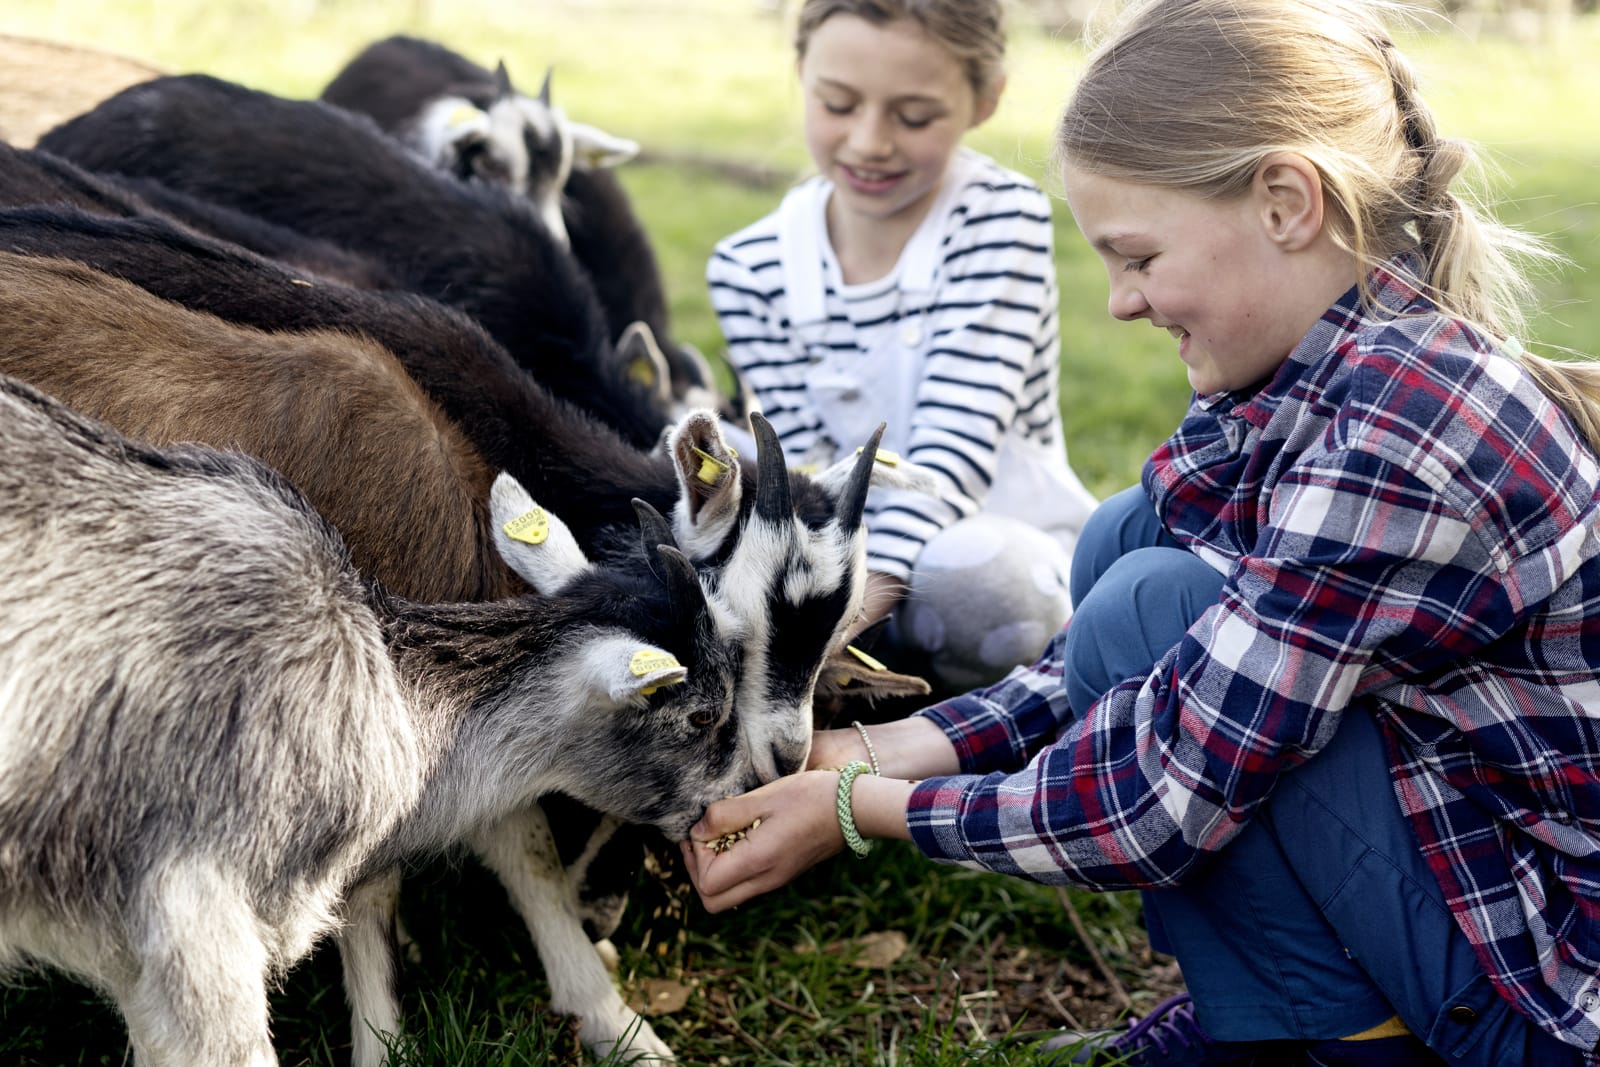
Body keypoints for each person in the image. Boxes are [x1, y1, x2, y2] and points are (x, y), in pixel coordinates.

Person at [683, 0, 1600, 1063]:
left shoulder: (1407, 430)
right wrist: (885, 743)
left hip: (1539, 999)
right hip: (1460, 872)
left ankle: (1353, 1041)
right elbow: (1120, 667)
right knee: (1127, 546)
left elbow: (1156, 799)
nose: (1119, 303)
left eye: (1138, 256)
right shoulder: (1302, 372)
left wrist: (860, 807)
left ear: (1284, 202)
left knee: (1143, 603)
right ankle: (1264, 1017)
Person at [706, 0, 1099, 693]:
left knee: (983, 584)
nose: (869, 141)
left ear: (985, 99)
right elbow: (809, 476)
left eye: (913, 116)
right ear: (802, 74)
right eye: (837, 103)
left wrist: (839, 616)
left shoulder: (999, 220)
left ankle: (1009, 708)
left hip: (993, 542)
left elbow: (955, 450)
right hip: (847, 563)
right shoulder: (750, 268)